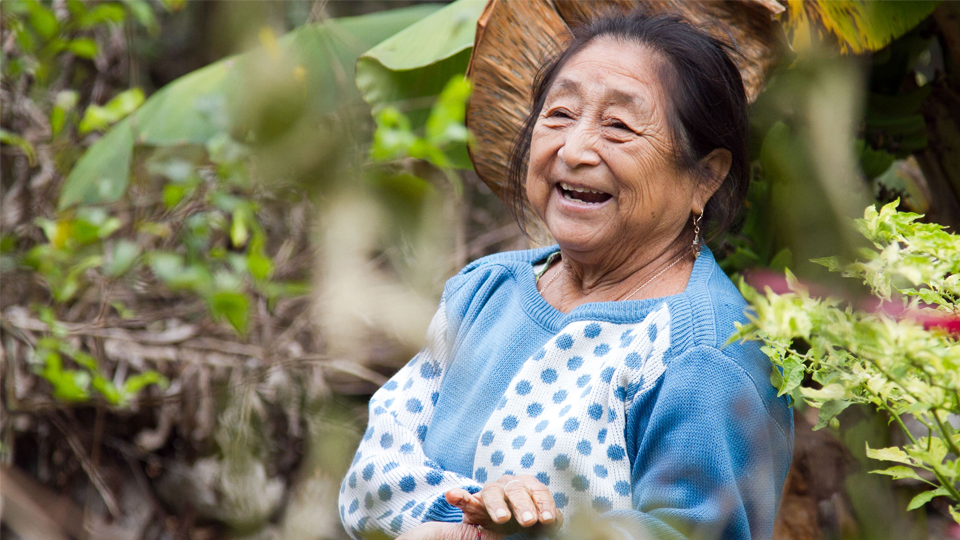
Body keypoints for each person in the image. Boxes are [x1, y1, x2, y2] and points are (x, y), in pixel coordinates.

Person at [338, 9, 793, 540]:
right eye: (558, 115)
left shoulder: (704, 351)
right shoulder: (484, 291)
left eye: (619, 126)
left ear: (705, 176)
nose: (574, 150)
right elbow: (368, 483)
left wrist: (543, 530)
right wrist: (463, 525)